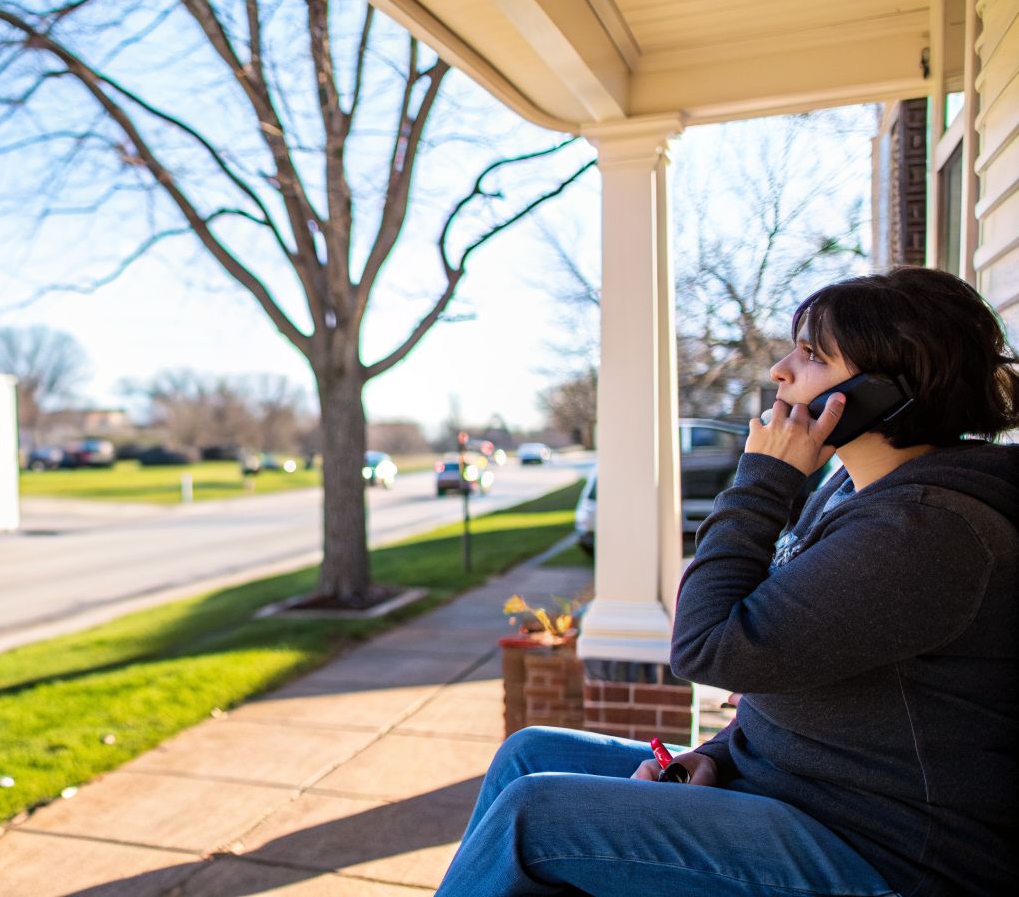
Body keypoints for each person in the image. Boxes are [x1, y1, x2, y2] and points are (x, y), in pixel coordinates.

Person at [434, 266, 1019, 897]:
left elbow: (708, 645)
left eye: (813, 355)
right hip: (793, 789)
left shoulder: (924, 530)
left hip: (883, 849)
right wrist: (715, 752)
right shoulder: (851, 489)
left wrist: (762, 478)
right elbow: (794, 659)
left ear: (885, 389)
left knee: (533, 819)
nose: (781, 371)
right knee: (531, 753)